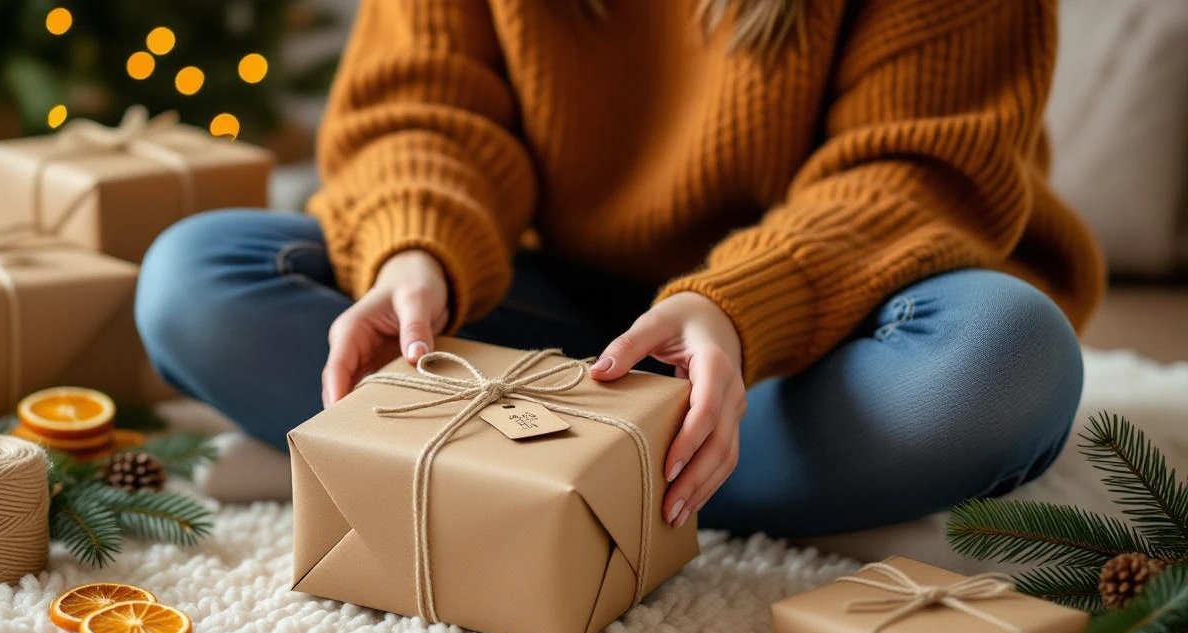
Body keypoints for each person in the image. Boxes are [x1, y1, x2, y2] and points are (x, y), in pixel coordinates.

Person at [136, 0, 1103, 537]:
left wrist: (733, 308)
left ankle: (532, 475)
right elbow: (422, 106)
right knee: (194, 278)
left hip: (826, 320)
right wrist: (416, 246)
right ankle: (671, 475)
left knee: (1004, 358)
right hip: (569, 310)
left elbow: (912, 173)